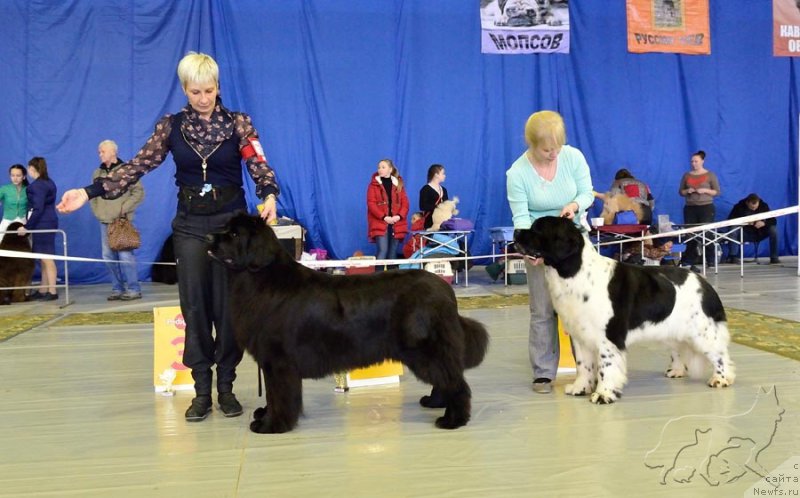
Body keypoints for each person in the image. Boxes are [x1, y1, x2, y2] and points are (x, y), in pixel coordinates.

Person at [57, 52, 279, 422]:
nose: (203, 98)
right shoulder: (170, 127)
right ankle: (202, 391)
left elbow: (258, 162)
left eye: (209, 90)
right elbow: (138, 165)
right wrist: (89, 191)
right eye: (195, 92)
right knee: (194, 308)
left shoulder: (239, 124)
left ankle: (226, 387)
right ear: (185, 90)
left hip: (231, 227)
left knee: (228, 310)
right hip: (190, 225)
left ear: (218, 87)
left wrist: (268, 194)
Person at [506, 110, 594, 394]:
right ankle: (543, 373)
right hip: (541, 249)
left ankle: (588, 369)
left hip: (575, 247)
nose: (553, 153)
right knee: (542, 311)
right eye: (546, 149)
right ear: (532, 144)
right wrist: (530, 252)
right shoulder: (517, 173)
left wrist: (575, 206)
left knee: (582, 311)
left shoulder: (574, 157)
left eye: (557, 147)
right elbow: (521, 220)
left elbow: (587, 193)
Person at [90, 140, 145, 301]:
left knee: (125, 255)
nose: (100, 154)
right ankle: (117, 288)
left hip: (121, 221)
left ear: (113, 152)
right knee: (108, 256)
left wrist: (124, 208)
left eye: (102, 151)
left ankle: (134, 288)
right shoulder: (97, 174)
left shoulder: (127, 171)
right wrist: (98, 211)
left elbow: (138, 193)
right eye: (99, 152)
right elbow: (92, 194)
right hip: (104, 220)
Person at [19, 157, 58, 301]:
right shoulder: (49, 182)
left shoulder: (36, 186)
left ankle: (52, 291)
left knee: (47, 258)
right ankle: (43, 289)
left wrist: (27, 227)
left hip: (42, 223)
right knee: (44, 258)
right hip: (50, 220)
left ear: (31, 169)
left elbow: (38, 208)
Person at [678, 150, 720, 271]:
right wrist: (687, 191)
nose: (694, 163)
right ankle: (688, 259)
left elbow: (717, 191)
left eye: (696, 161)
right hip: (690, 207)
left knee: (706, 233)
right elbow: (681, 192)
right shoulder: (687, 175)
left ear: (702, 161)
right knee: (690, 234)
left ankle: (710, 259)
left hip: (706, 207)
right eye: (692, 161)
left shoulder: (710, 175)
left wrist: (706, 191)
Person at [366, 158, 409, 268]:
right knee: (382, 251)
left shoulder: (398, 184)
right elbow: (371, 204)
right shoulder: (373, 185)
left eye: (383, 167)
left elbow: (405, 203)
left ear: (390, 169)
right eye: (379, 167)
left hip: (396, 224)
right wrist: (384, 217)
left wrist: (399, 216)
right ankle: (377, 282)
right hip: (381, 223)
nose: (380, 169)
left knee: (392, 254)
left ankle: (391, 282)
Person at [725, 193, 780, 264]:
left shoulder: (764, 206)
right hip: (744, 232)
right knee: (732, 229)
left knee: (773, 230)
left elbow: (773, 220)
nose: (754, 209)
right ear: (747, 203)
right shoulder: (738, 207)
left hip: (759, 232)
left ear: (759, 202)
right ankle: (733, 256)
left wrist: (764, 223)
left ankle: (774, 257)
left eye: (756, 207)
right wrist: (744, 222)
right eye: (752, 207)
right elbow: (730, 220)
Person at [0, 164, 28, 243]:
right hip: (7, 220)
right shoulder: (4, 189)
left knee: (27, 243)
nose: (15, 178)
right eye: (12, 175)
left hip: (23, 221)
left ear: (24, 176)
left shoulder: (28, 190)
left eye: (18, 175)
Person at [419, 164, 449, 229]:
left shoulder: (444, 190)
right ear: (436, 175)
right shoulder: (425, 189)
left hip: (443, 224)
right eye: (443, 173)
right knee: (440, 239)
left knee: (447, 238)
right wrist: (439, 207)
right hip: (430, 224)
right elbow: (423, 206)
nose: (445, 176)